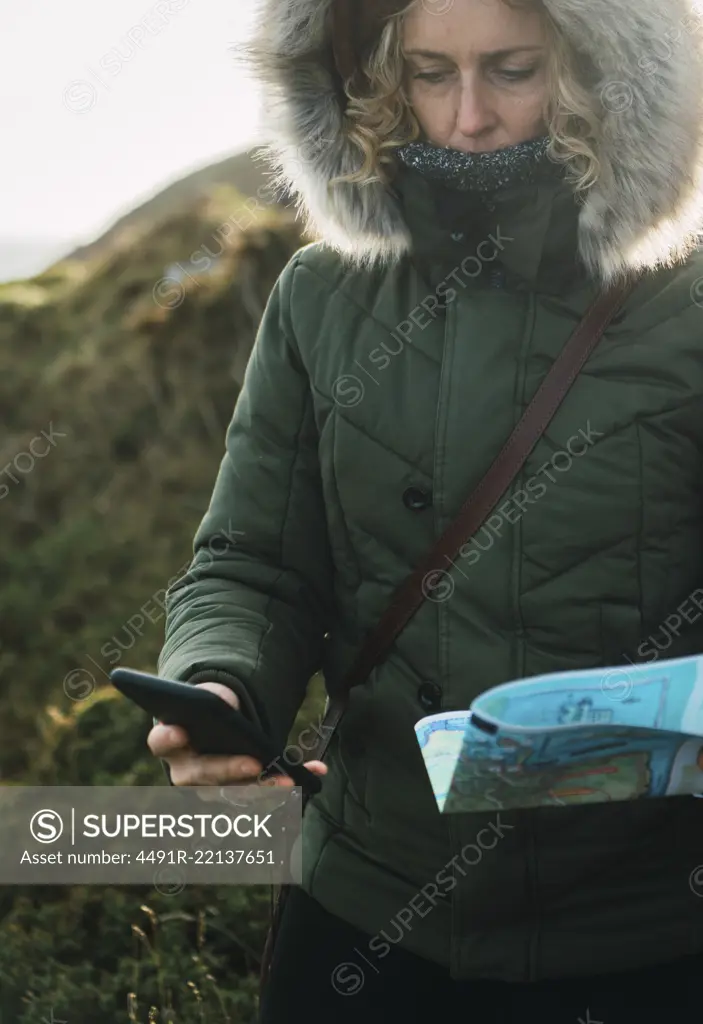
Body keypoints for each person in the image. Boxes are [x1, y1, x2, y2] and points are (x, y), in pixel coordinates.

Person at [147, 0, 703, 1019]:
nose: (468, 117)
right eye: (428, 73)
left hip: (643, 938)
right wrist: (223, 684)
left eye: (515, 69)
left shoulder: (687, 307)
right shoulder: (320, 296)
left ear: (605, 71)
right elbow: (254, 562)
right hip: (362, 908)